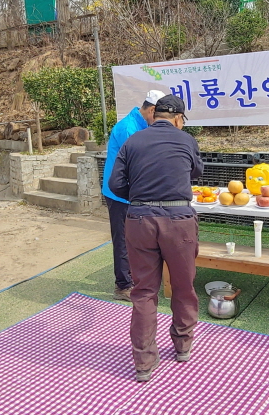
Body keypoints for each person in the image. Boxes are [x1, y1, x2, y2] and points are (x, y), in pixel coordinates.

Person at [108, 94, 203, 383]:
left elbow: (115, 184)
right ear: (178, 119)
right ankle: (183, 346)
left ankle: (144, 363)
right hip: (179, 221)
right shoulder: (186, 140)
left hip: (139, 221)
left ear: (155, 114)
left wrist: (141, 198)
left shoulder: (133, 141)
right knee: (183, 286)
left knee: (144, 292)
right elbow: (197, 173)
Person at [101, 90, 162, 301]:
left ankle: (135, 278)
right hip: (119, 193)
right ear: (152, 110)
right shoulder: (128, 129)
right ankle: (123, 285)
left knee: (138, 238)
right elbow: (138, 164)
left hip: (134, 192)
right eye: (160, 116)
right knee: (123, 240)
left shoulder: (143, 125)